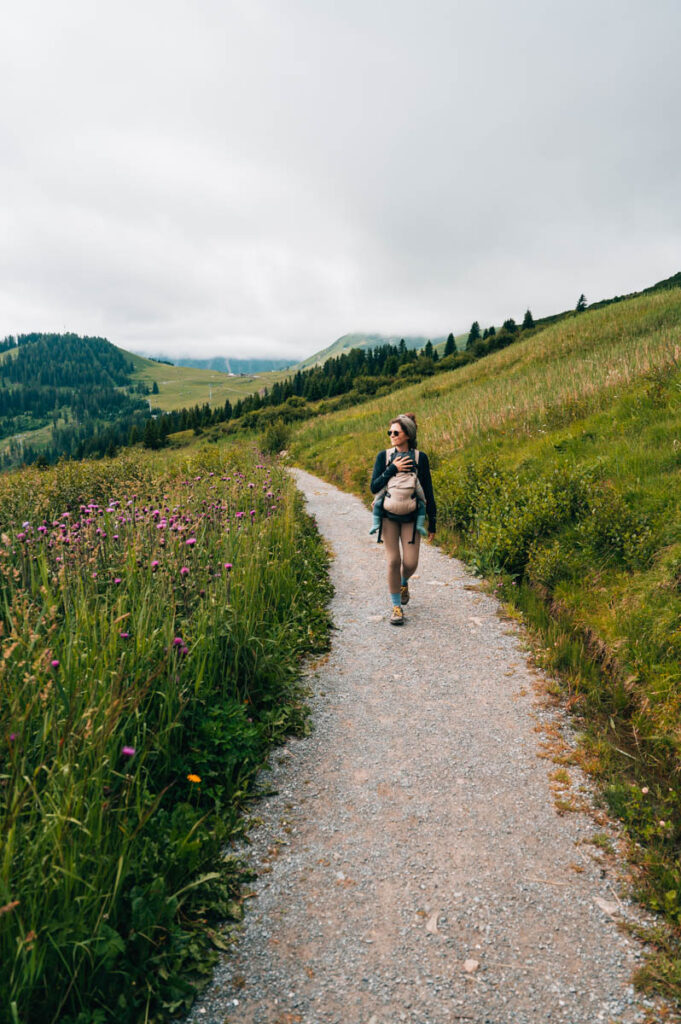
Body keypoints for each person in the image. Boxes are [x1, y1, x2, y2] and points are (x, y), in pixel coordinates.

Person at [370, 412, 436, 625]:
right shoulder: (384, 456)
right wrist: (392, 469)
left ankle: (404, 582)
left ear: (407, 434)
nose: (391, 435)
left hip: (411, 516)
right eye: (390, 432)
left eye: (396, 432)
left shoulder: (420, 458)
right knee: (393, 561)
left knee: (410, 562)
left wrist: (432, 521)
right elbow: (374, 487)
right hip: (389, 518)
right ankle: (396, 607)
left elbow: (428, 491)